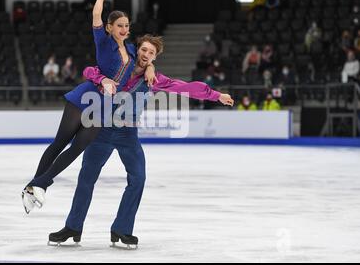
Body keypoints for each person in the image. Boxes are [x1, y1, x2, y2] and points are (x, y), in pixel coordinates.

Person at [44, 35, 234, 248]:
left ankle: (122, 229)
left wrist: (216, 95)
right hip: (102, 131)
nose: (146, 55)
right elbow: (90, 71)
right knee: (86, 178)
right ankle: (73, 227)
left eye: (151, 53)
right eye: (144, 50)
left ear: (155, 57)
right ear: (138, 50)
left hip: (128, 135)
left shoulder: (153, 79)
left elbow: (186, 87)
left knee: (138, 178)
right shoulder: (118, 66)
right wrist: (103, 80)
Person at [22, 0, 156, 210]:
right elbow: (96, 17)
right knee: (60, 142)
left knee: (77, 149)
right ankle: (35, 185)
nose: (124, 29)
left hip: (103, 108)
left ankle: (39, 184)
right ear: (109, 27)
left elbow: (146, 61)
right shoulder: (104, 42)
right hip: (85, 98)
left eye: (126, 25)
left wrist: (152, 66)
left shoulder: (133, 50)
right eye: (119, 25)